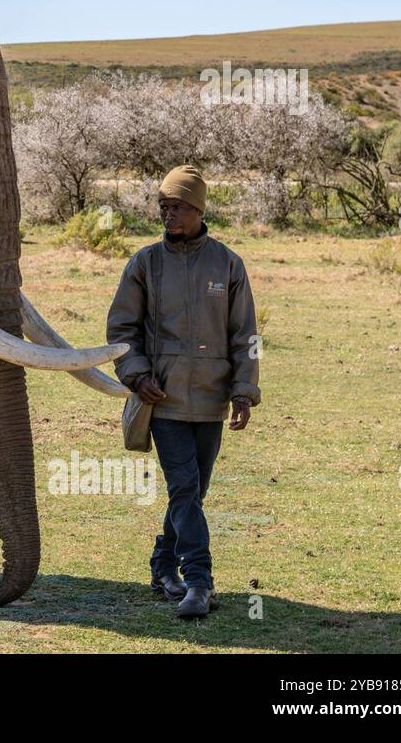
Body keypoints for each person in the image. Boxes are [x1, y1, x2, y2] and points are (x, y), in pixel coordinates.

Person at [106, 165, 261, 619]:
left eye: (177, 207)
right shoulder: (145, 263)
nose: (168, 215)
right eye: (164, 206)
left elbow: (244, 333)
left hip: (212, 401)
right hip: (165, 400)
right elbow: (122, 329)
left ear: (198, 209)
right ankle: (199, 581)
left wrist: (243, 391)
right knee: (184, 488)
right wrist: (136, 374)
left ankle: (161, 565)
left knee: (192, 493)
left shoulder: (227, 264)